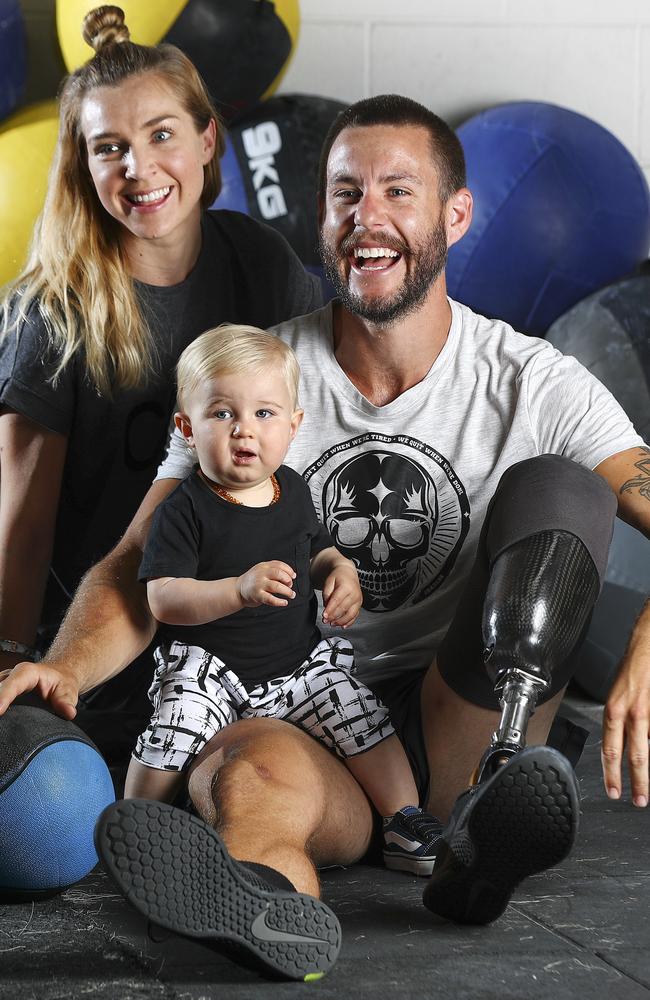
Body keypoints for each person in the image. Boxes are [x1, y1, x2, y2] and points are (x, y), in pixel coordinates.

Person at [1, 94, 649, 980]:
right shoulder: (250, 378)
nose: (367, 219)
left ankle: (478, 818)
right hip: (303, 704)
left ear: (457, 215)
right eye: (346, 195)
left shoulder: (534, 381)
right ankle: (270, 909)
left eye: (397, 193)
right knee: (249, 780)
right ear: (321, 219)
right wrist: (63, 668)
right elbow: (138, 560)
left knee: (564, 487)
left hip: (465, 708)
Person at [0, 3, 321, 743]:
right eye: (108, 147)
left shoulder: (260, 262)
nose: (138, 168)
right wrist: (16, 663)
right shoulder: (55, 311)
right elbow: (22, 527)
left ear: (208, 140)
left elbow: (322, 414)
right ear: (82, 164)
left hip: (242, 627)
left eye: (161, 135)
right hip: (102, 642)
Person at [127, 323, 442, 875]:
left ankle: (404, 820)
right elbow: (164, 599)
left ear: (294, 426)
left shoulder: (291, 490)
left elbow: (315, 548)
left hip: (296, 665)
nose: (244, 431)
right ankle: (137, 827)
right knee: (171, 727)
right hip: (212, 670)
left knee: (359, 713)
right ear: (187, 427)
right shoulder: (184, 510)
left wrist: (338, 569)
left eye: (264, 414)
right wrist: (237, 591)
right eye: (222, 413)